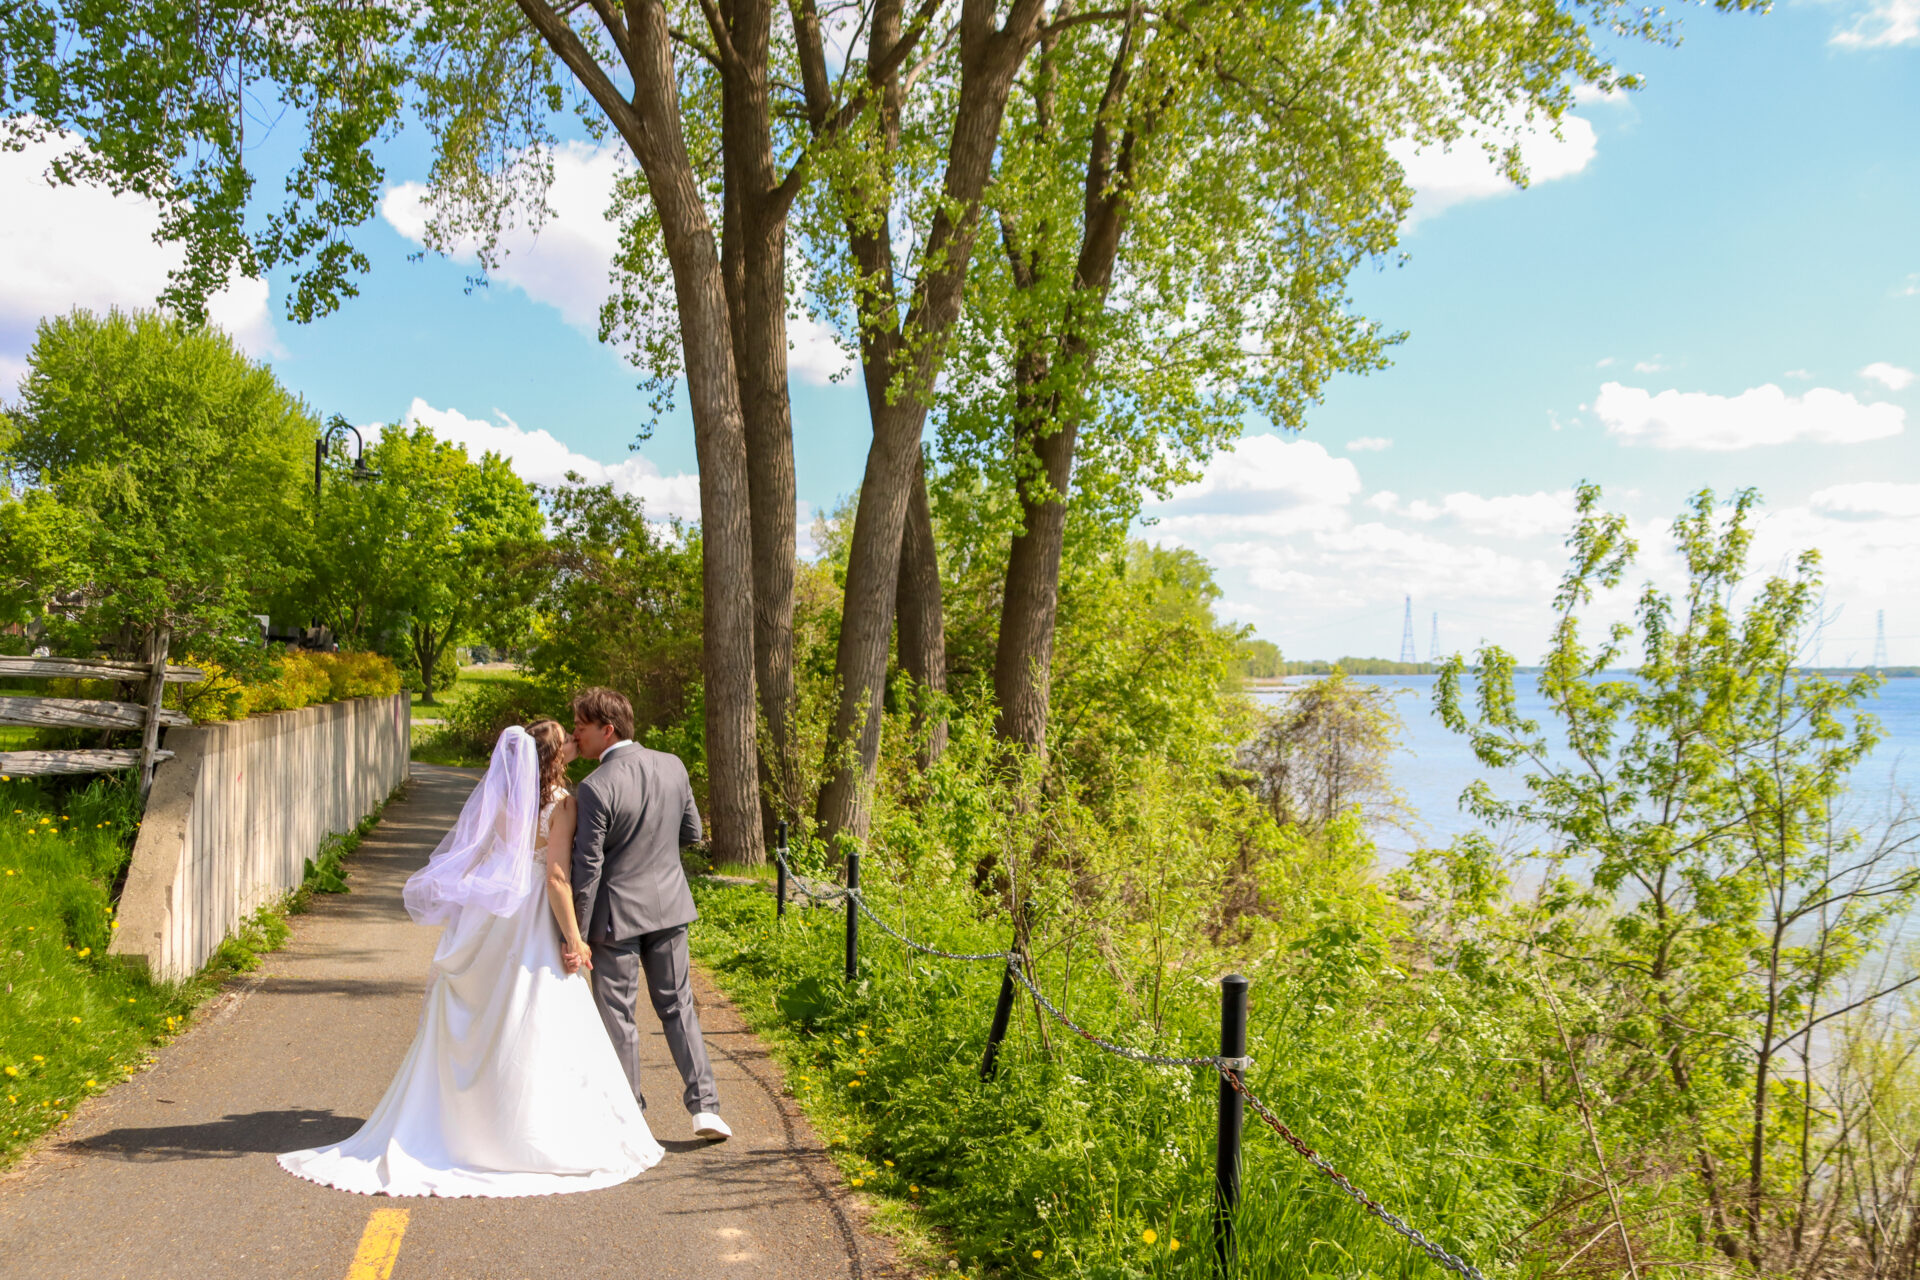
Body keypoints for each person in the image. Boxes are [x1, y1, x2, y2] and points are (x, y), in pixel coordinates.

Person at [277, 722, 664, 1196]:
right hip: (532, 919)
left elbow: (479, 856)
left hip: (493, 915)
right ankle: (522, 1131)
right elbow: (557, 878)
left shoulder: (501, 798)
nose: (571, 743)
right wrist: (574, 940)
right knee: (532, 1017)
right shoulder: (562, 803)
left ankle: (464, 1124)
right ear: (551, 756)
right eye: (564, 738)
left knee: (485, 1017)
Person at [568, 687, 729, 1140]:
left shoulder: (596, 787)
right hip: (670, 906)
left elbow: (588, 868)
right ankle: (706, 1108)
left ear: (608, 729)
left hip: (614, 916)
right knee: (679, 1006)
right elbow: (693, 832)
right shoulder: (673, 765)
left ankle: (630, 1115)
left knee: (619, 1015)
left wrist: (575, 935)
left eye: (582, 727)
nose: (577, 735)